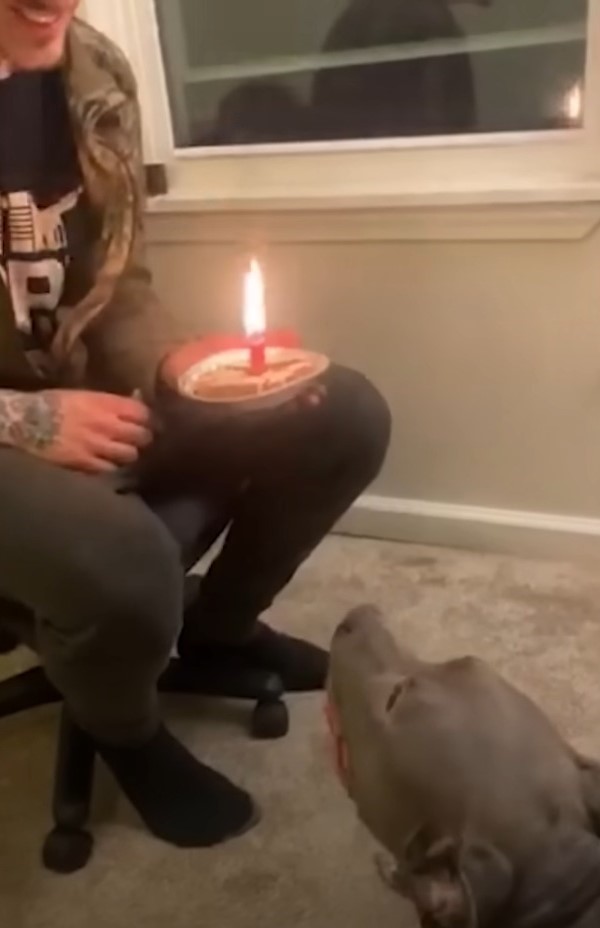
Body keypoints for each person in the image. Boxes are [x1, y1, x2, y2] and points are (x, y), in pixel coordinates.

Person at [0, 1, 391, 849]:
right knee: (127, 559)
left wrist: (176, 364)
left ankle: (218, 634)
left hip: (86, 394)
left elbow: (118, 283)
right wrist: (24, 419)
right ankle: (125, 729)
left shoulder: (92, 71)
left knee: (341, 415)